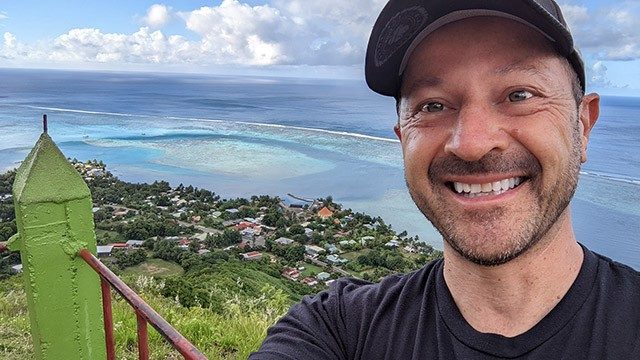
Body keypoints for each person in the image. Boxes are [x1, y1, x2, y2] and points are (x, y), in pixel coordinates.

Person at [250, 1, 640, 359]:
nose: (471, 144)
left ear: (583, 126)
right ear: (404, 139)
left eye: (519, 95)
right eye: (432, 105)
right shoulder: (339, 328)